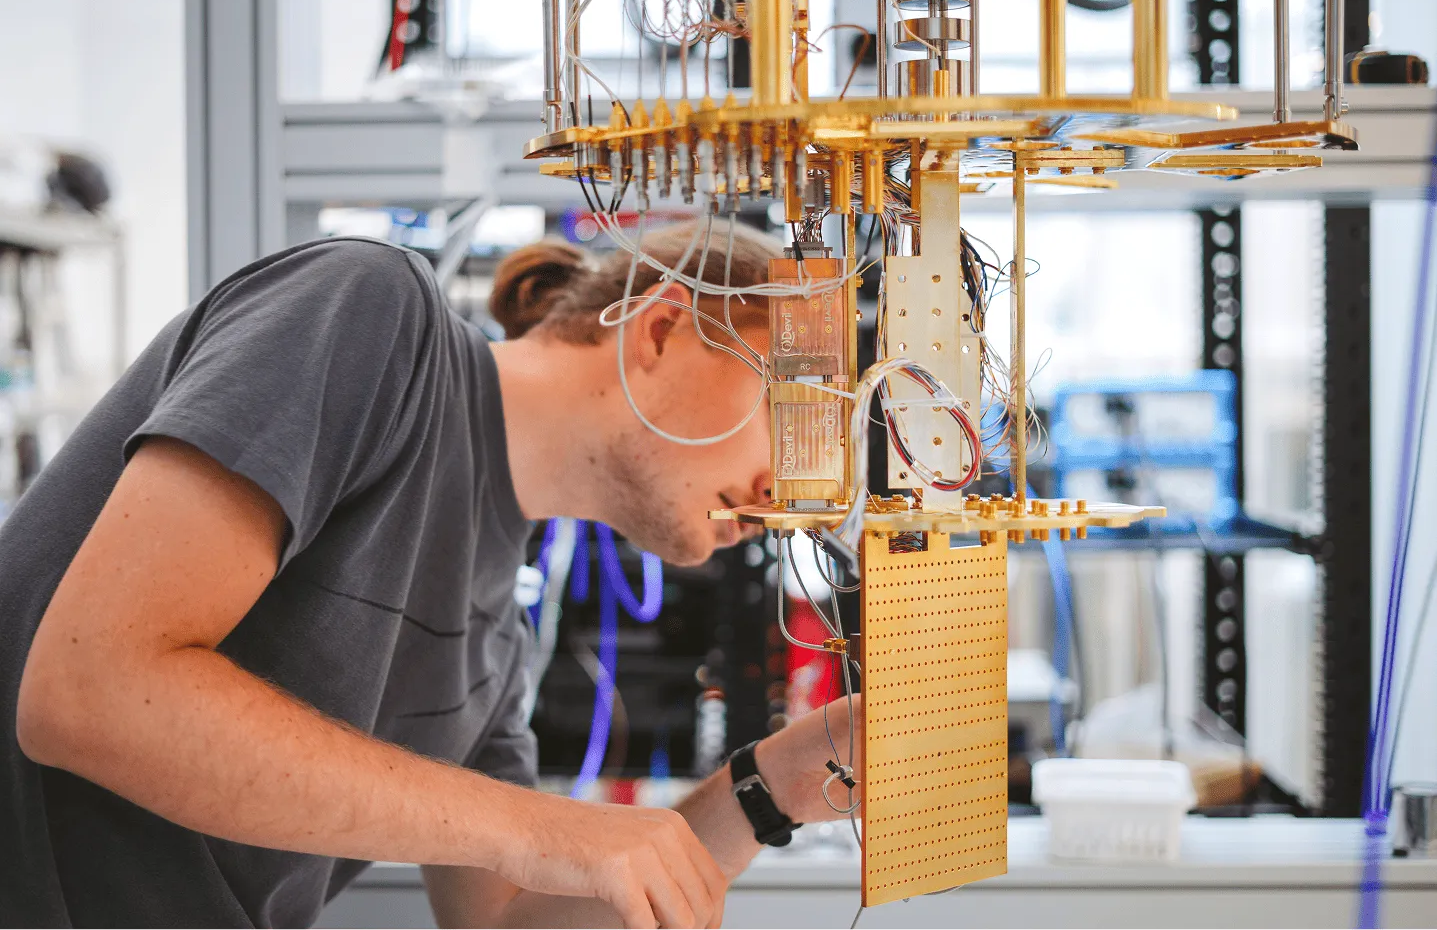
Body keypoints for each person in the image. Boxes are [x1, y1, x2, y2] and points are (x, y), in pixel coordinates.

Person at [1, 221, 862, 930]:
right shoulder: (368, 313)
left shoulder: (494, 643)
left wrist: (775, 784)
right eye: (789, 419)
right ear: (661, 329)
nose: (784, 493)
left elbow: (510, 920)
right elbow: (88, 689)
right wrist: (535, 825)